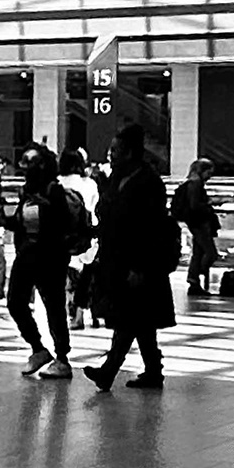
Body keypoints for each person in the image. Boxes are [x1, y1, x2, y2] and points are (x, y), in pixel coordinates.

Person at [85, 125, 173, 391]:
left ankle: (109, 371)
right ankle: (153, 371)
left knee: (129, 317)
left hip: (137, 260)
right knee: (140, 320)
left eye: (116, 150)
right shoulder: (118, 179)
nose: (110, 155)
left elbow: (149, 227)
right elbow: (107, 215)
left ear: (130, 152)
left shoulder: (148, 182)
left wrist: (140, 266)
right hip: (117, 258)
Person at [6, 137, 74, 379]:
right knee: (15, 301)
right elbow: (21, 221)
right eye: (24, 160)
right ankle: (37, 348)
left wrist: (44, 205)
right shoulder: (26, 191)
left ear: (43, 165)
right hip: (27, 254)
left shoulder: (53, 190)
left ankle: (62, 357)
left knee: (54, 306)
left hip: (50, 257)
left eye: (31, 161)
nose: (25, 166)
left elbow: (61, 223)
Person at [169, 153, 224, 308]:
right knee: (210, 253)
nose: (210, 177)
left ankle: (194, 282)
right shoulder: (195, 185)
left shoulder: (193, 183)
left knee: (199, 252)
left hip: (195, 222)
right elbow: (195, 206)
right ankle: (194, 276)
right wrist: (209, 206)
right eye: (209, 173)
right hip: (199, 223)